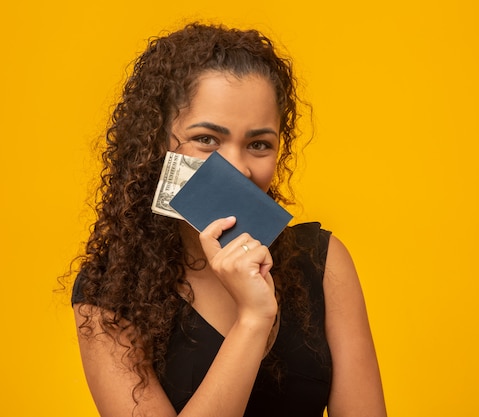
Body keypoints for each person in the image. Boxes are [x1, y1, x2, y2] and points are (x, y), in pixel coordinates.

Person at [70, 22, 386, 417]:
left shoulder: (323, 263)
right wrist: (253, 320)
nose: (237, 166)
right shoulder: (110, 292)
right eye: (207, 139)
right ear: (157, 142)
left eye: (258, 144)